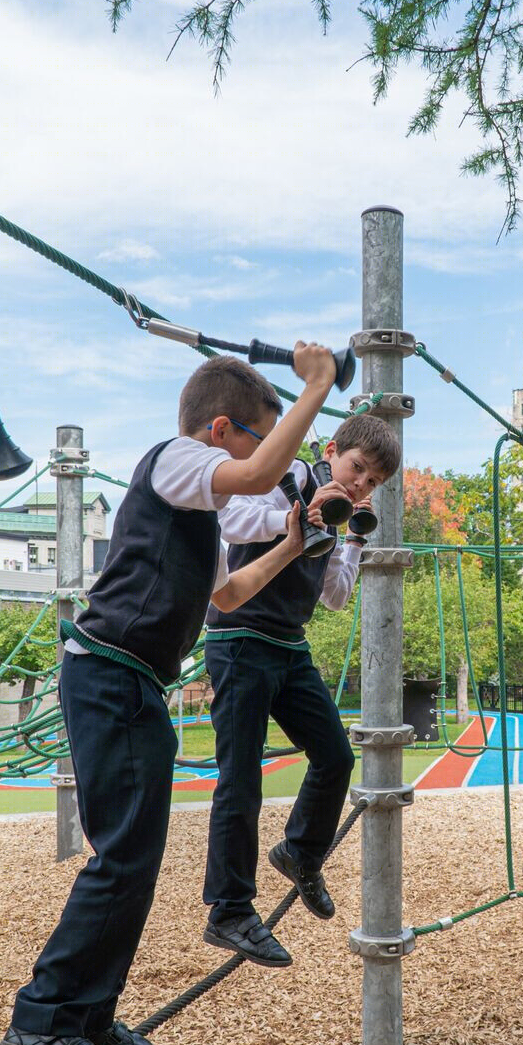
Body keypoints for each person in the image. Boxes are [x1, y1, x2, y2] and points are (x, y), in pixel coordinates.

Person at [0, 345, 339, 1045]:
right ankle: (42, 1018)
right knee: (121, 855)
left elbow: (227, 596)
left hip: (133, 683)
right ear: (221, 431)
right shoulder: (176, 459)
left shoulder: (199, 513)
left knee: (137, 858)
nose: (275, 469)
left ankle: (87, 1012)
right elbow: (254, 474)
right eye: (262, 439)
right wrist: (317, 386)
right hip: (109, 675)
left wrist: (290, 546)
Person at [201, 413, 401, 967]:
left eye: (371, 482)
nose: (360, 485)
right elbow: (233, 523)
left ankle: (300, 852)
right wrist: (298, 516)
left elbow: (334, 597)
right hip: (240, 638)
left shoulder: (339, 516)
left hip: (288, 644)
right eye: (357, 469)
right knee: (240, 776)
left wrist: (353, 539)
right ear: (332, 451)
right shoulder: (286, 476)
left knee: (336, 756)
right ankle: (229, 910)